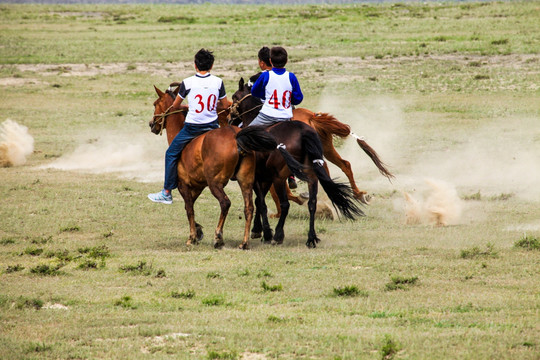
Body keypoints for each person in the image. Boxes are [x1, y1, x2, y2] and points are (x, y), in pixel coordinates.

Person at [148, 49, 228, 204]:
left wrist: (189, 106)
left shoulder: (188, 82)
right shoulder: (218, 82)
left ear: (195, 66)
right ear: (211, 66)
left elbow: (175, 106)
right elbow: (224, 106)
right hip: (212, 126)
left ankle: (166, 192)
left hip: (193, 128)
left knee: (170, 154)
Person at [253, 46, 300, 189]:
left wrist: (265, 95)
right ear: (286, 61)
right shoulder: (291, 76)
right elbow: (298, 98)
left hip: (266, 116)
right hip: (285, 118)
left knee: (244, 134)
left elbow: (255, 92)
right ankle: (292, 174)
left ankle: (244, 166)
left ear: (270, 61)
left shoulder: (265, 76)